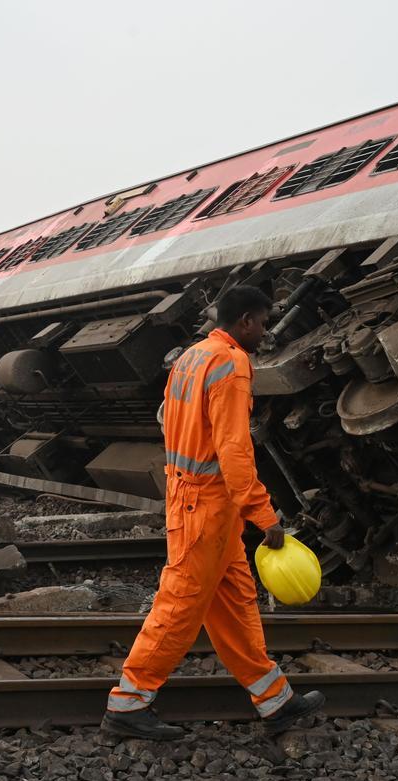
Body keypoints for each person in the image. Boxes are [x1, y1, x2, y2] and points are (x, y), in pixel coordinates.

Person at [101, 286, 325, 740]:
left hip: (198, 500)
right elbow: (234, 450)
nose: (265, 332)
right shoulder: (232, 364)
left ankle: (275, 701)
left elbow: (166, 418)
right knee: (180, 604)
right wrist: (265, 516)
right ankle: (128, 704)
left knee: (235, 602)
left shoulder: (190, 357)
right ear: (244, 321)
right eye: (262, 323)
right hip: (205, 504)